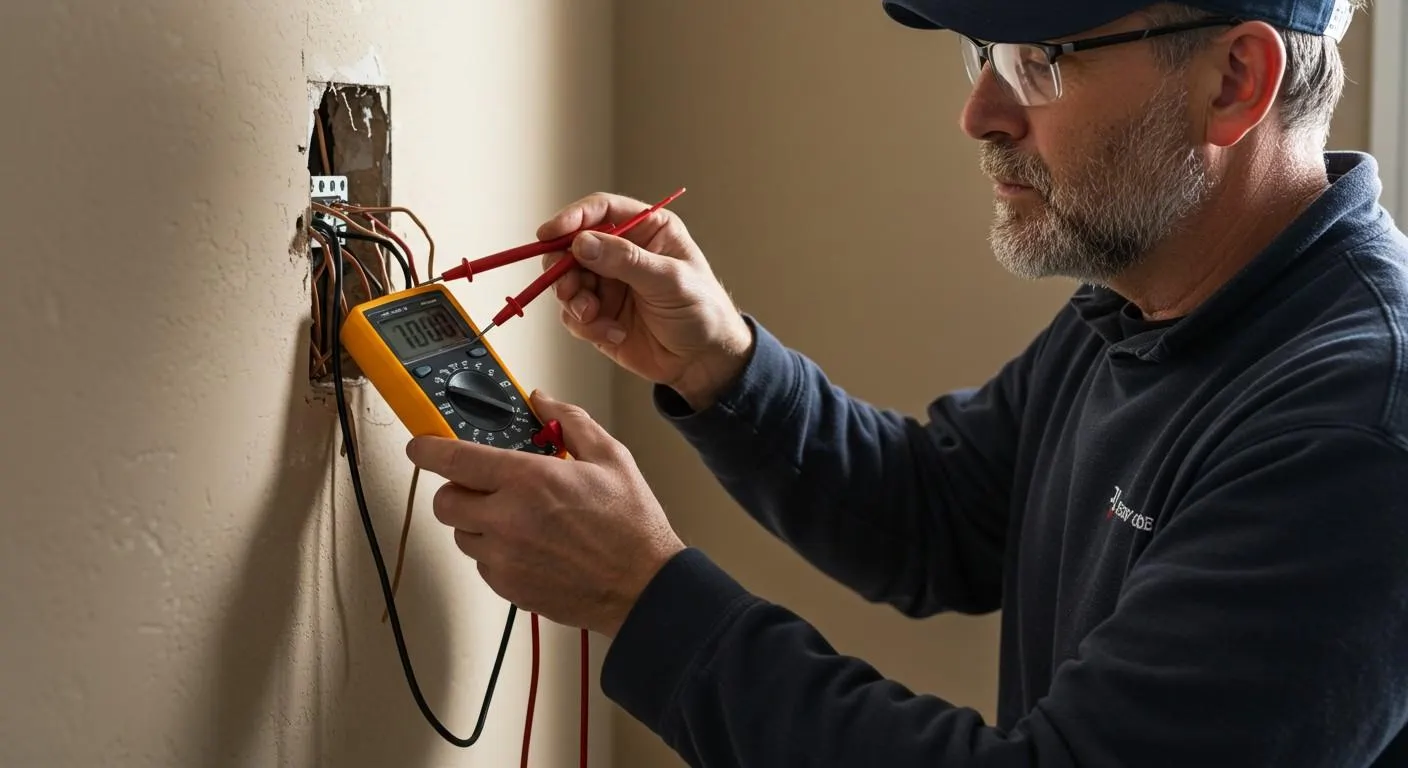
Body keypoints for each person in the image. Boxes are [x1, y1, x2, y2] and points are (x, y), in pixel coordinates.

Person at [406, 0, 1408, 764]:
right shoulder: (1152, 298)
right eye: (980, 53)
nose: (978, 111)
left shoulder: (1354, 435)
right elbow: (942, 517)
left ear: (1235, 78)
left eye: (1037, 59)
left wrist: (642, 596)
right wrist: (719, 366)